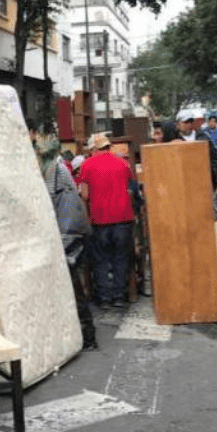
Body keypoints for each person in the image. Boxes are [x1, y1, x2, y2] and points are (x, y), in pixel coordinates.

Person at [36, 134, 98, 349]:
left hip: (71, 234)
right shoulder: (54, 169)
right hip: (71, 232)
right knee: (69, 286)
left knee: (73, 286)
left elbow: (50, 202)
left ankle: (88, 336)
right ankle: (77, 334)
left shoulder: (55, 171)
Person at [78, 133, 135, 308]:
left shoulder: (87, 165)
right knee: (120, 258)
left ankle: (104, 299)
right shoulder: (123, 164)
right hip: (123, 218)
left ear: (94, 148)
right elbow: (130, 189)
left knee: (101, 259)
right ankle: (119, 296)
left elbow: (85, 195)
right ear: (108, 146)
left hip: (99, 220)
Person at [176, 110, 217, 199]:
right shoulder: (174, 140)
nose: (189, 125)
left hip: (204, 184)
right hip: (183, 186)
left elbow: (214, 161)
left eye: (191, 121)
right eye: (186, 122)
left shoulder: (203, 138)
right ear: (178, 124)